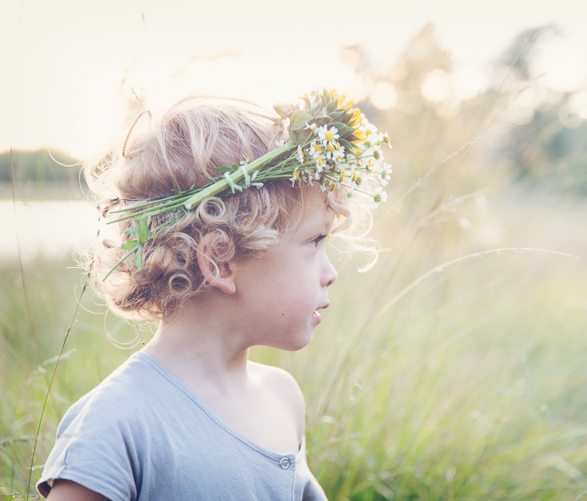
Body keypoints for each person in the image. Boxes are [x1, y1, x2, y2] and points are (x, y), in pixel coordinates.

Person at [36, 92, 389, 500]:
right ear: (220, 261)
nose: (331, 273)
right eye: (314, 241)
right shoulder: (116, 425)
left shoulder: (282, 398)